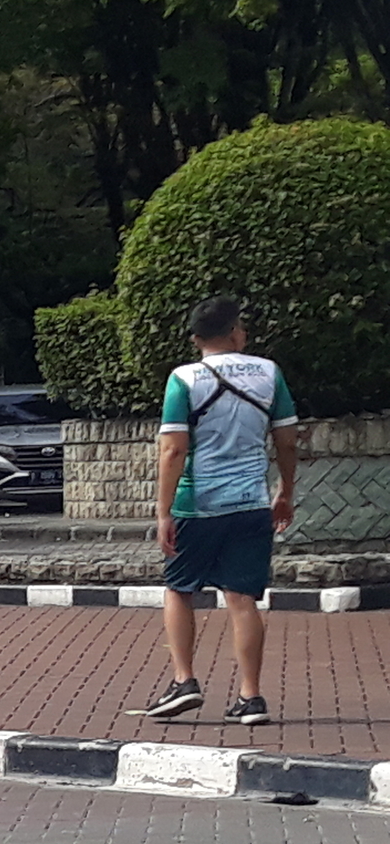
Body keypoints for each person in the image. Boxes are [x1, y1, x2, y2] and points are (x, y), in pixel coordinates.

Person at [140, 295, 297, 724]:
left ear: (195, 339)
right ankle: (251, 696)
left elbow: (173, 449)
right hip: (251, 503)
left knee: (178, 589)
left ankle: (184, 680)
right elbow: (286, 439)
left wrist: (164, 511)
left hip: (198, 503)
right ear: (234, 333)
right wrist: (285, 490)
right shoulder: (269, 373)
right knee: (242, 598)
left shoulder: (183, 379)